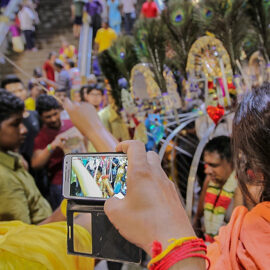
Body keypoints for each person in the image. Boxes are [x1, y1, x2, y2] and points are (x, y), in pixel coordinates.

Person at [103, 84, 270, 269]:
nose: (208, 170)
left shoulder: (248, 229)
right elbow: (199, 215)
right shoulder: (238, 232)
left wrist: (178, 243)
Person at [0, 89, 52, 224]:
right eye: (15, 124)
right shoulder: (3, 178)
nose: (24, 130)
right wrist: (63, 212)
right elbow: (23, 236)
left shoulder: (12, 158)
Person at [31, 94, 73, 209]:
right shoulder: (41, 137)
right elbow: (35, 164)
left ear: (59, 110)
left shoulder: (71, 124)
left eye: (55, 114)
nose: (53, 119)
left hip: (77, 177)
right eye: (48, 117)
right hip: (59, 184)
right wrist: (52, 146)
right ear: (41, 117)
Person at [193, 136, 237, 242]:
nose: (207, 171)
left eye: (213, 165)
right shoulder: (210, 181)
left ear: (231, 163)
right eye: (206, 164)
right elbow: (198, 219)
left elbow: (237, 231)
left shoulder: (241, 186)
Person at [1, 76, 40, 168]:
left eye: (20, 90)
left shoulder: (35, 115)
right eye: (13, 92)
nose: (18, 94)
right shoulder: (4, 119)